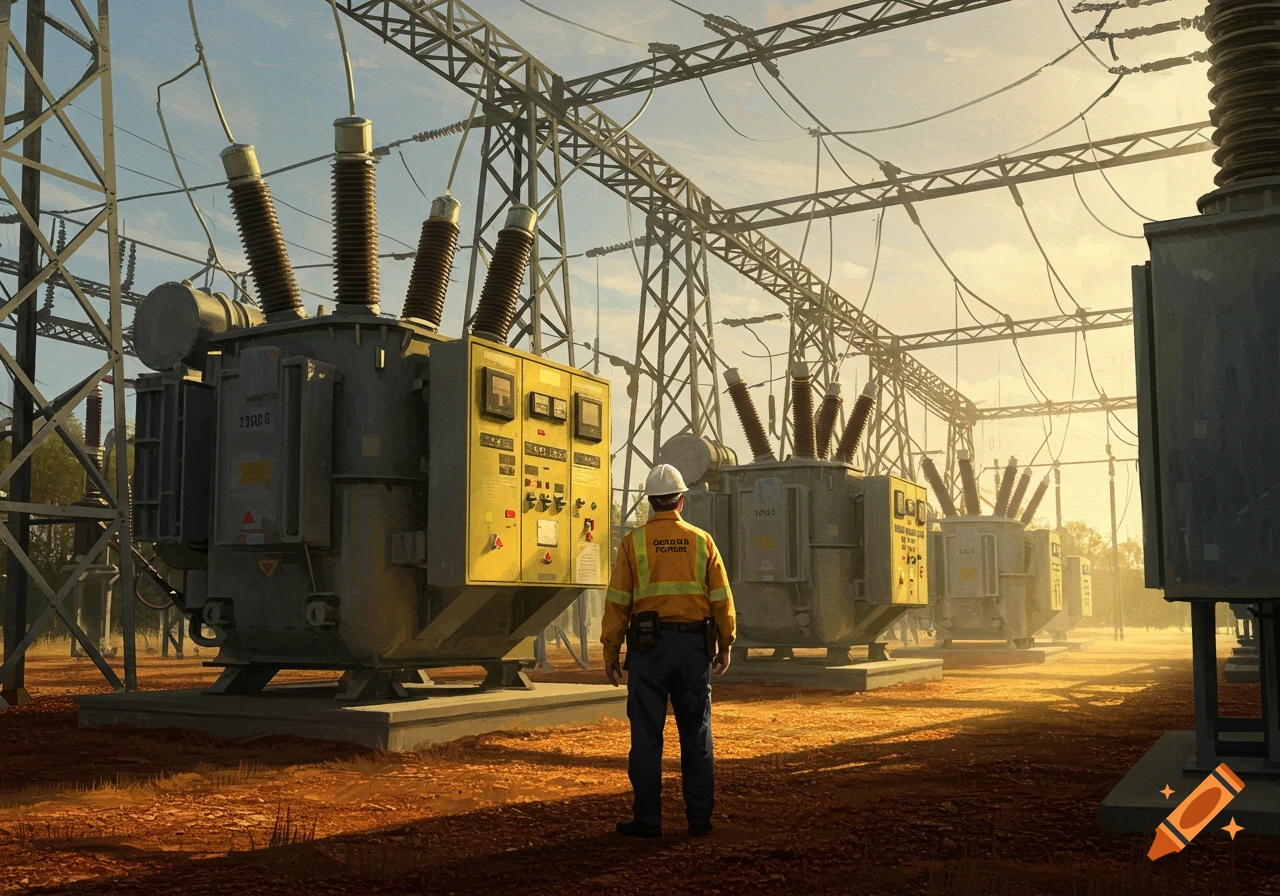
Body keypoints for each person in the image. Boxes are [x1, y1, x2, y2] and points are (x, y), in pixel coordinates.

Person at [601, 463, 736, 839]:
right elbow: (722, 599)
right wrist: (725, 643)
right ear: (681, 500)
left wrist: (611, 651)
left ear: (650, 502)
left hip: (648, 650)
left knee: (646, 737)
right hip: (694, 648)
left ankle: (648, 820)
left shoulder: (633, 542)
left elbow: (617, 602)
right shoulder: (702, 541)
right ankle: (699, 820)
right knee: (696, 734)